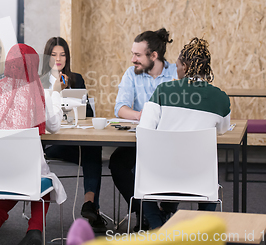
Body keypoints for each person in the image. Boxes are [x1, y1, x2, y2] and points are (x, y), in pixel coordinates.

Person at [0, 44, 66, 245]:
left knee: (17, 179)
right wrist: (56, 93)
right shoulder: (38, 91)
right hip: (26, 169)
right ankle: (34, 231)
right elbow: (55, 126)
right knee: (44, 185)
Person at [137, 37, 231, 229]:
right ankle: (201, 229)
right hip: (200, 180)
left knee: (137, 170)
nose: (176, 70)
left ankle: (156, 225)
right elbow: (222, 130)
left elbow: (144, 131)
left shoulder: (163, 90)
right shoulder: (221, 98)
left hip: (159, 178)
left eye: (178, 65)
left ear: (186, 67)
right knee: (211, 174)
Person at [109, 28, 177, 230]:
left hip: (171, 142)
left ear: (153, 56)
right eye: (133, 54)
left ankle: (166, 210)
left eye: (137, 55)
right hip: (141, 140)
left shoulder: (175, 74)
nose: (132, 59)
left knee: (175, 165)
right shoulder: (132, 74)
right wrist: (145, 115)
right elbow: (120, 108)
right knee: (118, 163)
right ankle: (146, 212)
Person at [40, 37, 105, 231]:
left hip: (74, 138)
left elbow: (89, 114)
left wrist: (70, 91)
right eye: (53, 55)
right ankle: (93, 208)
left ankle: (89, 204)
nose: (58, 59)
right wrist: (56, 91)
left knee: (93, 149)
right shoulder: (40, 82)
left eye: (62, 55)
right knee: (89, 153)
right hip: (52, 143)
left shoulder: (76, 78)